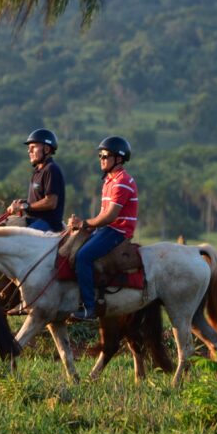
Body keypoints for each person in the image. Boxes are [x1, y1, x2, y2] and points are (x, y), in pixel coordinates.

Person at [68, 136, 138, 321]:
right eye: (100, 155)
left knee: (83, 256)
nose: (101, 159)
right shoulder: (109, 180)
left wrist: (84, 224)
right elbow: (102, 215)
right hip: (107, 229)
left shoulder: (122, 181)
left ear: (119, 158)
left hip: (117, 231)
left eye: (105, 155)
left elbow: (110, 216)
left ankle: (89, 308)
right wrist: (85, 226)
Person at [5, 128, 66, 233]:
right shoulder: (37, 170)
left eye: (33, 147)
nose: (29, 151)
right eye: (29, 148)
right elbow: (36, 201)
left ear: (46, 149)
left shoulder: (51, 169)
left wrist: (24, 206)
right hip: (32, 220)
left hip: (48, 223)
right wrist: (21, 203)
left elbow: (50, 202)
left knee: (19, 240)